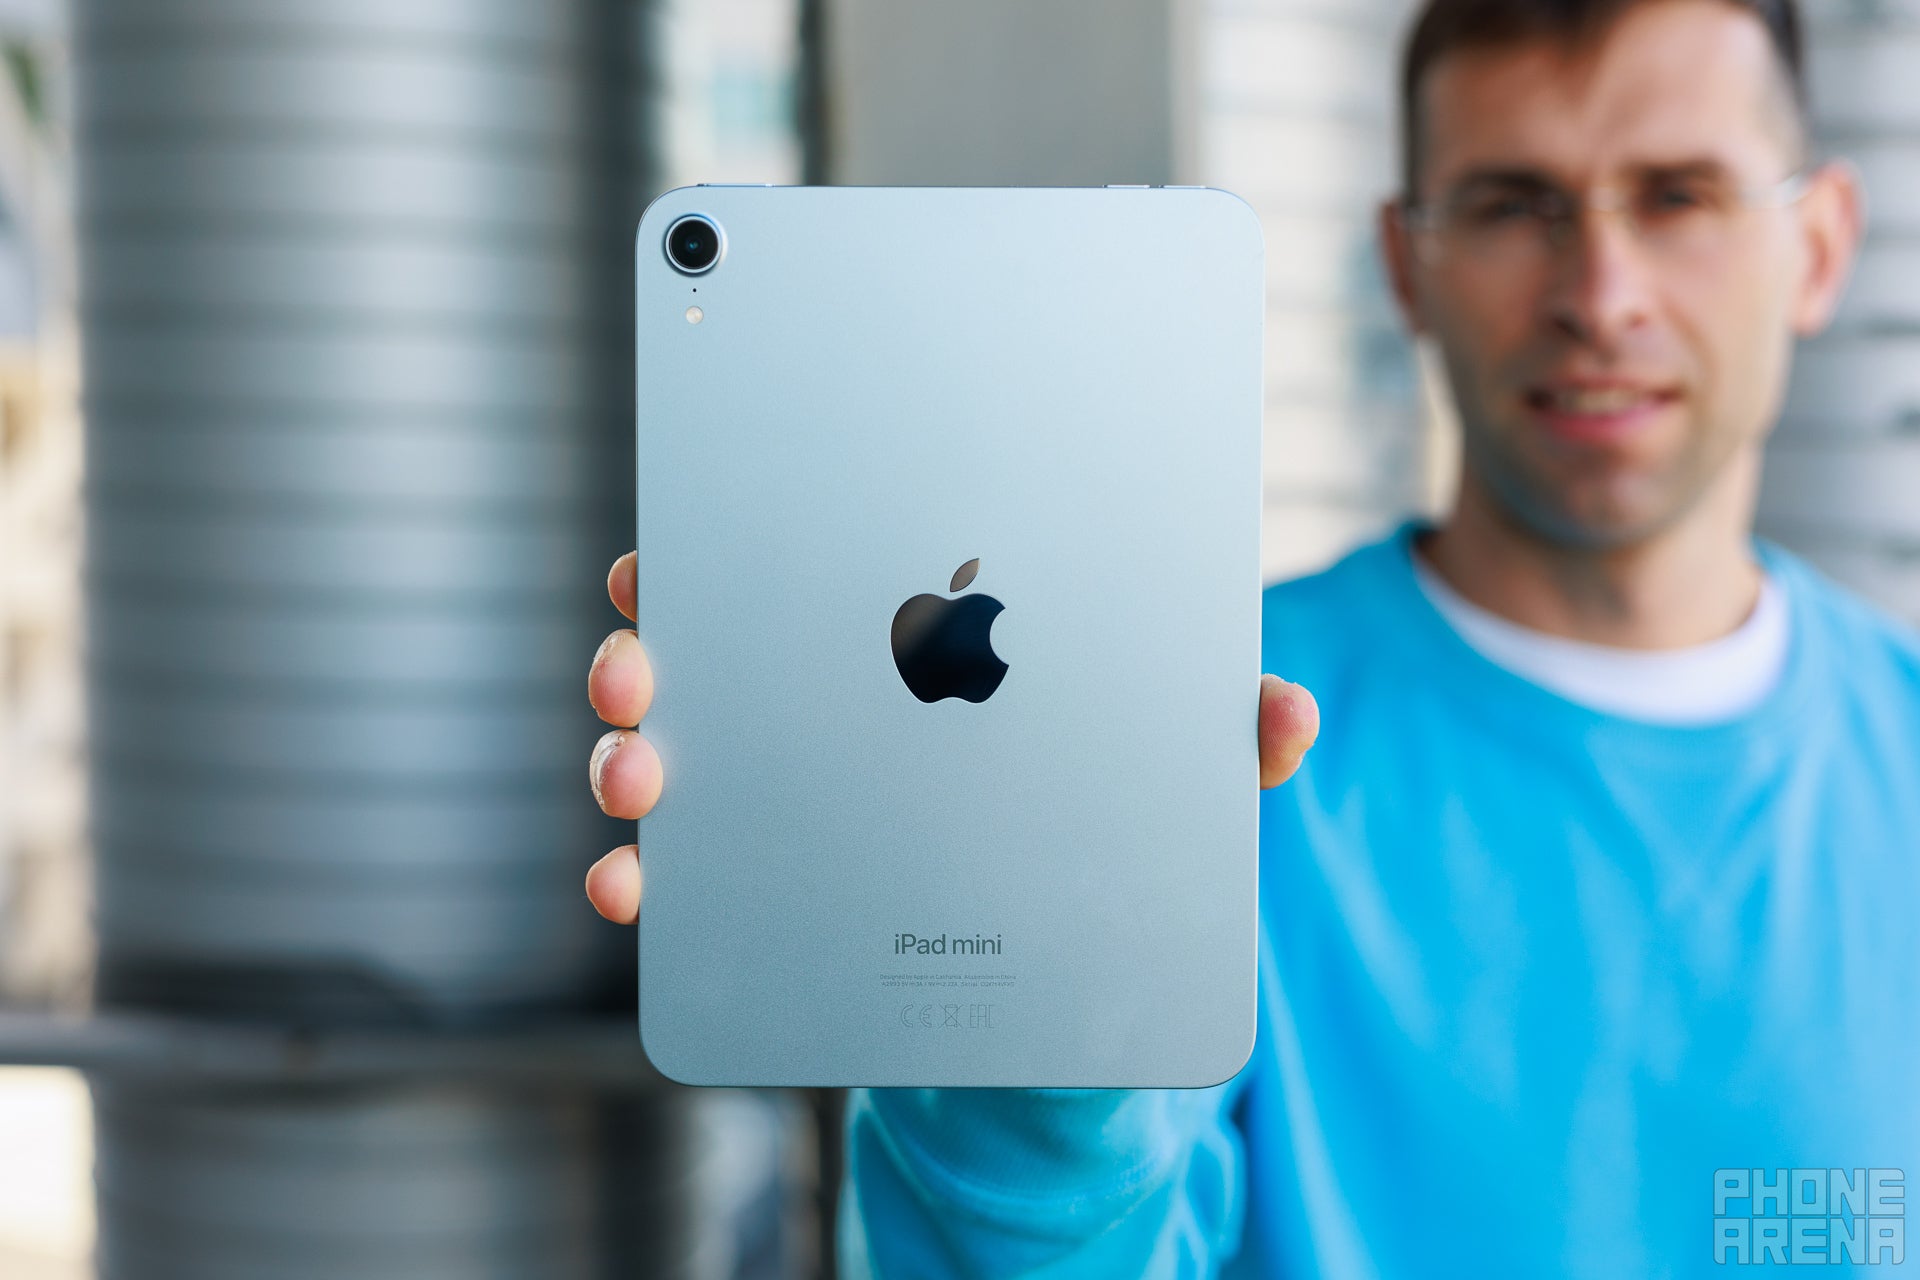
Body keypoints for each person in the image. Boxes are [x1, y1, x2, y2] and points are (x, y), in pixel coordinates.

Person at [585, 0, 1920, 1272]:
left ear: (1819, 247)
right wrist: (1017, 1091)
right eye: (1514, 204)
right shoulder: (1203, 720)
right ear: (1406, 264)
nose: (1601, 291)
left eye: (1679, 196)